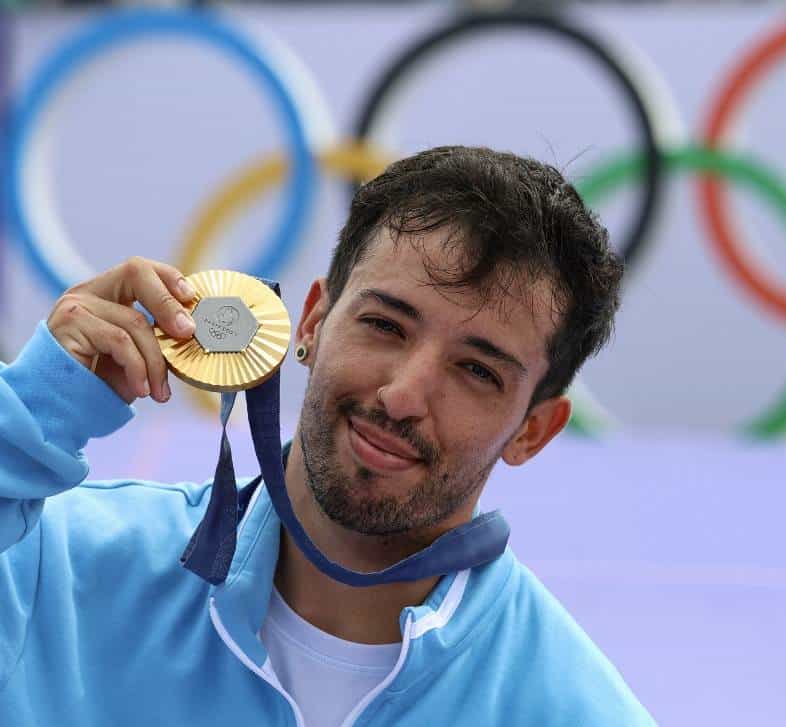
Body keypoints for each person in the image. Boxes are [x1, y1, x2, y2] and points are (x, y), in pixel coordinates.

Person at [0, 146, 655, 725]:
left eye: (477, 370)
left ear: (533, 430)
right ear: (313, 321)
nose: (402, 393)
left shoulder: (570, 707)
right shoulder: (54, 569)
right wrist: (31, 411)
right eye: (385, 325)